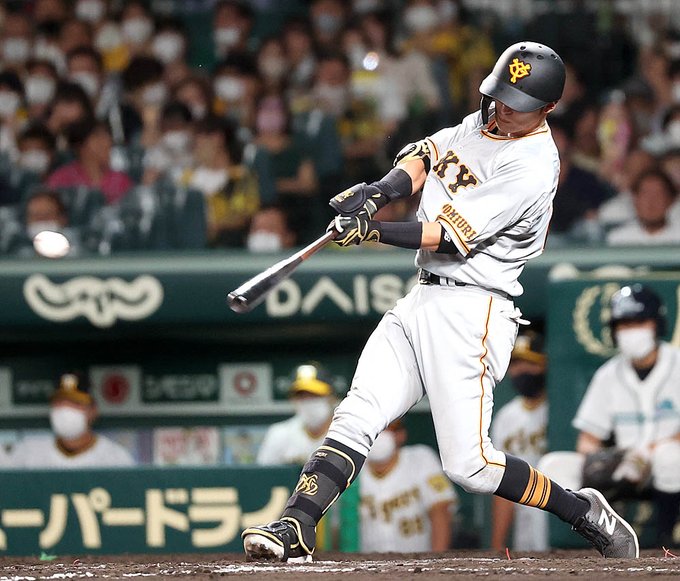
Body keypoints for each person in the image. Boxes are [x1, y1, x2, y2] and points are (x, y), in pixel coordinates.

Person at [242, 41, 640, 563]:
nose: (503, 108)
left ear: (547, 108)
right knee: (358, 411)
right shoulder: (482, 121)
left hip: (475, 310)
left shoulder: (533, 164)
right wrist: (379, 193)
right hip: (423, 297)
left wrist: (373, 230)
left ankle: (580, 509)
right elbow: (426, 155)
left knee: (470, 466)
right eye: (501, 96)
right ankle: (297, 524)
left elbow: (449, 238)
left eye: (517, 103)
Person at [572, 284, 680, 548]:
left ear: (656, 324)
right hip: (625, 465)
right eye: (624, 324)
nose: (631, 331)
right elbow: (587, 440)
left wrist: (648, 452)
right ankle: (589, 547)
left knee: (669, 457)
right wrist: (602, 461)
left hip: (666, 459)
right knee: (556, 466)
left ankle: (667, 542)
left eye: (638, 322)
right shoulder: (608, 374)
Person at [359, 420, 456, 553]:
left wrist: (436, 560)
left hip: (419, 560)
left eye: (388, 428)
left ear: (401, 434)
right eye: (373, 430)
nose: (380, 436)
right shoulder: (351, 469)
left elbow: (441, 512)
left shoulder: (421, 458)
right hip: (367, 563)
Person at [491, 331, 549, 551]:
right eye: (516, 364)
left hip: (563, 514)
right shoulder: (506, 418)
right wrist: (497, 544)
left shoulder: (561, 407)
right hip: (526, 524)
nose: (522, 370)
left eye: (530, 363)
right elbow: (503, 485)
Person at [8, 372, 134, 468]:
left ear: (93, 411)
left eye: (75, 403)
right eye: (60, 402)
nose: (65, 409)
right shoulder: (28, 454)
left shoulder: (115, 458)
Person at [256, 363, 336, 466]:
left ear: (331, 397)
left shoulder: (346, 433)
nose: (308, 401)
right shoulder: (278, 434)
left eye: (315, 395)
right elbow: (263, 473)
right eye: (301, 395)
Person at [606, 168, 680, 246]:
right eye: (645, 194)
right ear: (635, 199)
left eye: (658, 195)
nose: (651, 202)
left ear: (670, 200)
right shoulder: (618, 239)